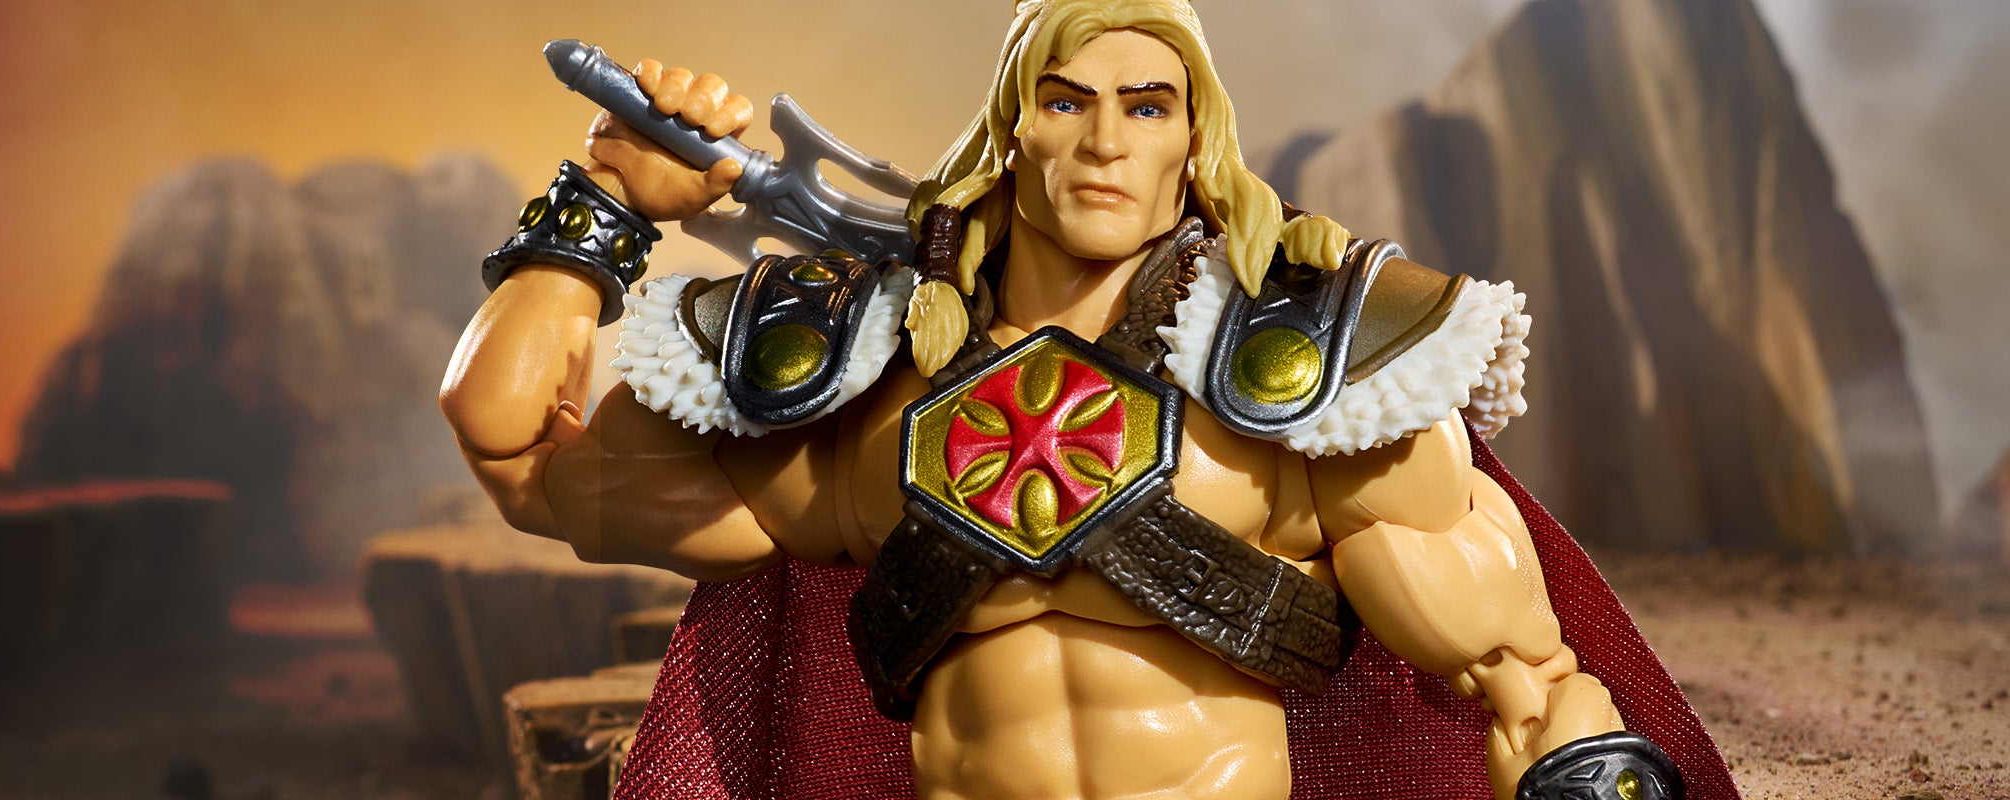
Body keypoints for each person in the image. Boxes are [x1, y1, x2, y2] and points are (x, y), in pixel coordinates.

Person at [441, 1, 1732, 797]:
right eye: (1065, 102)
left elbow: (1537, 693)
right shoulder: (869, 405)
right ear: (1013, 132)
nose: (1107, 141)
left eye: (1145, 106)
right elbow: (522, 458)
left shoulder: (1302, 387)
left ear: (1194, 141)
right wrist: (604, 203)